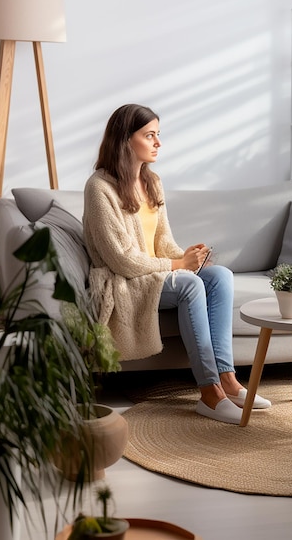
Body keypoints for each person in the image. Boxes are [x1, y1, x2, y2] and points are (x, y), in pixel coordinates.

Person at [83, 104, 270, 425]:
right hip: (123, 280)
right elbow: (121, 259)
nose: (158, 142)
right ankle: (210, 393)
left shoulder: (152, 181)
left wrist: (189, 257)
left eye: (158, 135)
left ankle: (227, 378)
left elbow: (163, 241)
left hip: (150, 271)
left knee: (219, 275)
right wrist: (177, 265)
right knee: (189, 283)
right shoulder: (99, 188)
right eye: (150, 135)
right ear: (126, 140)